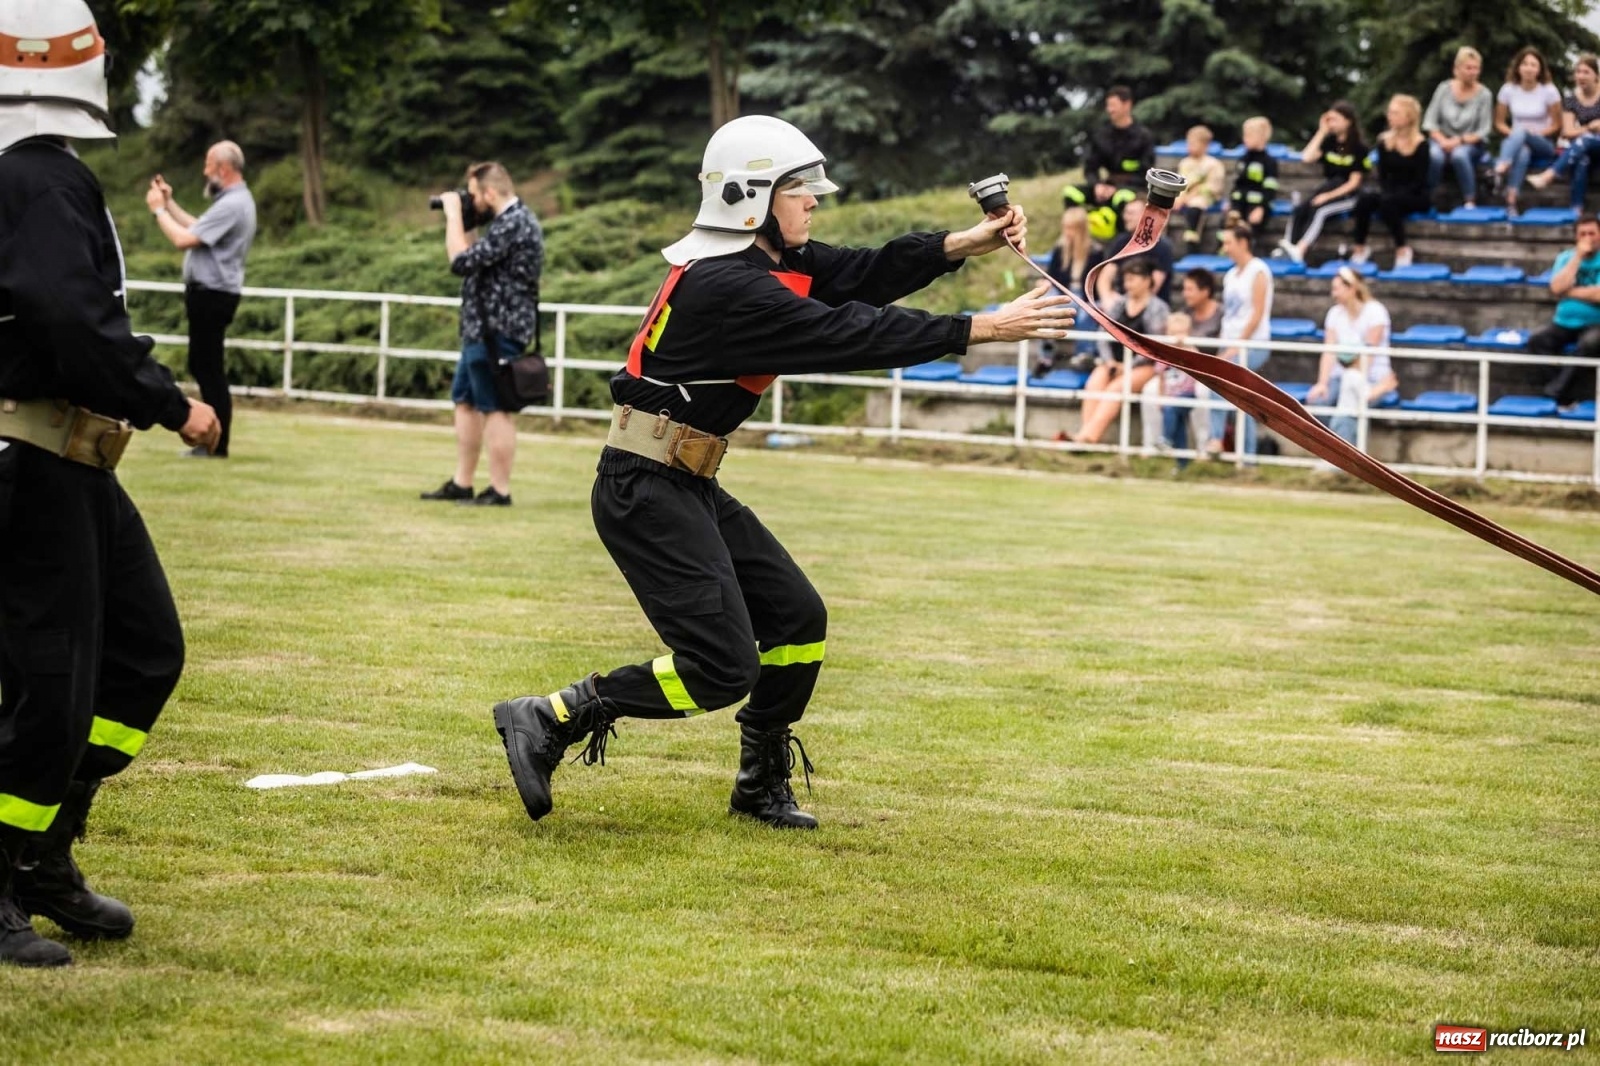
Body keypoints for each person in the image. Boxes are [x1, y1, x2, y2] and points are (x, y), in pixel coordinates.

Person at [489, 116, 1074, 829]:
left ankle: (759, 783)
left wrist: (961, 243)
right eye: (800, 190)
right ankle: (552, 716)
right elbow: (845, 333)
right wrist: (980, 328)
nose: (814, 201)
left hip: (681, 478)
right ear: (750, 198)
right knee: (721, 667)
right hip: (643, 487)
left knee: (797, 619)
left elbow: (863, 273)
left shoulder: (760, 260)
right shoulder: (730, 287)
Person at [0, 0, 222, 968]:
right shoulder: (36, 176)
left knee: (143, 652)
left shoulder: (38, 173)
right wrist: (171, 403)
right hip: (34, 458)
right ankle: (7, 868)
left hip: (72, 458)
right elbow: (69, 320)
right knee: (49, 684)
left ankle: (43, 850)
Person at [420, 162, 544, 507]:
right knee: (466, 401)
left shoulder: (515, 222)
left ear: (489, 193)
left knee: (495, 407)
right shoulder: (505, 223)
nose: (470, 200)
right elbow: (476, 259)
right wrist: (469, 221)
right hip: (481, 329)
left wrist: (452, 215)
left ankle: (499, 490)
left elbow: (459, 261)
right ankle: (462, 482)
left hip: (498, 331)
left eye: (474, 195)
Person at [145, 141, 256, 459]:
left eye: (208, 165)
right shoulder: (235, 201)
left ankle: (215, 444)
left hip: (212, 294)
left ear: (223, 168)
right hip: (214, 293)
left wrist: (158, 210)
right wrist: (170, 203)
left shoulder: (232, 204)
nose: (205, 171)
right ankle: (215, 442)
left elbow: (184, 239)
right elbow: (198, 227)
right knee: (205, 364)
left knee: (208, 368)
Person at [1073, 258, 1168, 444]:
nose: (1127, 284)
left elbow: (1153, 345)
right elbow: (1103, 333)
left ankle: (1089, 437)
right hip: (1114, 362)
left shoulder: (1158, 308)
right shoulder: (1119, 304)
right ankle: (1085, 434)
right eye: (1126, 279)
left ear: (1147, 280)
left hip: (1144, 365)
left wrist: (1128, 366)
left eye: (1132, 279)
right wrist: (1109, 361)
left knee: (1116, 388)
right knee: (1094, 383)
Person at [1199, 222, 1273, 460]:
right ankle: (1245, 456)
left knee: (1219, 382)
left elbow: (1257, 313)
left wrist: (1236, 346)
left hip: (1252, 343)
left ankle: (1216, 440)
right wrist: (1226, 345)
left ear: (1243, 243)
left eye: (1229, 242)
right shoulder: (1231, 275)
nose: (1226, 248)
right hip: (1231, 343)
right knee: (1242, 399)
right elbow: (1230, 315)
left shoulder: (1258, 270)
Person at [1306, 267, 1397, 447]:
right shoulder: (1334, 314)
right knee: (1319, 404)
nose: (1333, 294)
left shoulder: (1376, 311)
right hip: (1345, 377)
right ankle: (1342, 449)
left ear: (1352, 288)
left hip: (1371, 377)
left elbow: (1369, 353)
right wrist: (1322, 383)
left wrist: (1373, 384)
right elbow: (1329, 351)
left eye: (1337, 289)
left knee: (1352, 408)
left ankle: (1345, 451)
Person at [1061, 86, 1156, 243]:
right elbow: (1090, 167)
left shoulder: (1143, 136)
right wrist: (1097, 184)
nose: (1109, 110)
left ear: (1127, 105)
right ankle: (1076, 240)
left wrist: (1116, 188)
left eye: (1113, 105)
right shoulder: (1102, 135)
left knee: (1121, 197)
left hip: (1133, 188)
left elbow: (1146, 173)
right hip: (1106, 186)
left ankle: (1120, 243)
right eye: (1108, 105)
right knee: (1071, 192)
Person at [1278, 101, 1369, 264]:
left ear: (1348, 121)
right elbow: (1306, 157)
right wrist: (1321, 131)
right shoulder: (1330, 142)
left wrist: (1327, 196)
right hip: (1328, 189)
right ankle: (1289, 245)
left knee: (1321, 211)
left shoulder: (1359, 147)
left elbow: (1354, 183)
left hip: (1347, 195)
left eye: (1335, 119)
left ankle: (1301, 249)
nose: (1331, 123)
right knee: (1301, 208)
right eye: (1329, 119)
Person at [1140, 268, 1221, 450]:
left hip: (1204, 375)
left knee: (1203, 394)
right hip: (1172, 373)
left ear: (1205, 291)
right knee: (1149, 391)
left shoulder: (1221, 315)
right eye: (1184, 289)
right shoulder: (1184, 313)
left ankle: (1204, 447)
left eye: (1190, 289)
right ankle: (1151, 445)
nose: (1185, 294)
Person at [1524, 214, 1600, 406]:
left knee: (1590, 343)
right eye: (1582, 234)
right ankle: (1564, 395)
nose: (1587, 238)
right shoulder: (1565, 258)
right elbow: (1557, 288)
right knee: (1537, 341)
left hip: (1596, 322)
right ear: (1576, 237)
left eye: (1592, 233)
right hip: (1564, 322)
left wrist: (1570, 291)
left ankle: (1554, 392)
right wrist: (1578, 258)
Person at [1350, 95, 1431, 268]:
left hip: (1415, 193)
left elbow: (1419, 180)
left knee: (1389, 202)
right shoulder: (1384, 141)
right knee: (1365, 200)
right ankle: (1359, 248)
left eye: (1395, 113)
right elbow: (1384, 176)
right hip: (1391, 191)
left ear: (1408, 117)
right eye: (1390, 112)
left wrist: (1393, 195)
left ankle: (1402, 249)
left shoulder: (1421, 144)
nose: (1390, 116)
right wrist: (1387, 192)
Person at [1491, 46, 1562, 215]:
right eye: (1525, 64)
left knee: (1522, 132)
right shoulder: (1508, 89)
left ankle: (1501, 166)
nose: (1529, 68)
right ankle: (1511, 201)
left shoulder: (1549, 91)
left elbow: (1556, 125)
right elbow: (1499, 123)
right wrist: (1516, 135)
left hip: (1542, 142)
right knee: (1522, 151)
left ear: (1539, 69)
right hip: (1517, 142)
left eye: (1533, 65)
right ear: (1518, 67)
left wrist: (1531, 134)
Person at [1423, 46, 1494, 208]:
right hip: (1441, 139)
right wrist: (1443, 141)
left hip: (1469, 142)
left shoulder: (1485, 95)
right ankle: (1429, 196)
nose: (1473, 72)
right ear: (1457, 69)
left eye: (1476, 68)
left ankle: (1470, 200)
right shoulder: (1443, 89)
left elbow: (1483, 131)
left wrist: (1458, 141)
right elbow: (1430, 122)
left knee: (1459, 155)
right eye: (1469, 68)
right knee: (1434, 156)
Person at [1527, 54, 1600, 208]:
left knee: (1585, 140)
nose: (1581, 76)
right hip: (1585, 148)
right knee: (1582, 159)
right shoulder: (1571, 100)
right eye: (1578, 72)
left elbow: (1575, 132)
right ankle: (1576, 209)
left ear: (1596, 76)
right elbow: (1567, 132)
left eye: (1586, 72)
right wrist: (1589, 128)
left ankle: (1549, 175)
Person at [1095, 197, 1174, 303]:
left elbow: (1152, 288)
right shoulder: (1121, 241)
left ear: (1145, 216)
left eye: (1131, 213)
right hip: (1120, 301)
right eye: (1125, 213)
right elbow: (1105, 277)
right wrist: (1107, 299)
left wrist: (1124, 306)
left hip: (1150, 305)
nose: (1125, 217)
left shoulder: (1162, 246)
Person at [1174, 125, 1227, 247]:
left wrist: (1191, 196)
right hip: (1185, 196)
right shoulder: (1185, 163)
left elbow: (1214, 187)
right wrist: (1180, 198)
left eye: (1193, 144)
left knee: (1196, 204)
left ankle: (1192, 237)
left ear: (1205, 145)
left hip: (1204, 197)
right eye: (1189, 143)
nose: (1189, 147)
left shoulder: (1213, 164)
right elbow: (1180, 182)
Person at [1225, 116, 1280, 235]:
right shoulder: (1243, 159)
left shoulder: (1269, 162)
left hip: (1256, 206)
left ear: (1262, 137)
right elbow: (1238, 183)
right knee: (1226, 225)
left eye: (1249, 136)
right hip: (1239, 204)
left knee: (1248, 231)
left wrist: (1261, 208)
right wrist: (1231, 202)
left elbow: (1270, 189)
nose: (1245, 139)